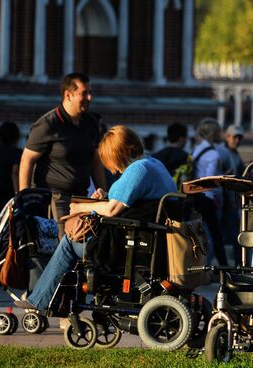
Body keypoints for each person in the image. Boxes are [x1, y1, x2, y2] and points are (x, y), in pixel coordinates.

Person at [14, 125, 176, 311]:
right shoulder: (153, 163)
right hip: (148, 242)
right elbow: (131, 202)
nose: (112, 168)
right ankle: (56, 299)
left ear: (117, 154)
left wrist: (80, 206)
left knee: (69, 243)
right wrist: (106, 195)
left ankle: (41, 301)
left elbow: (113, 209)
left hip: (129, 247)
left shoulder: (138, 170)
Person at [19, 73, 107, 239]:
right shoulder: (48, 124)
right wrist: (25, 199)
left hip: (82, 197)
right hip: (55, 198)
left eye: (90, 92)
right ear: (68, 95)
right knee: (64, 242)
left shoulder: (91, 123)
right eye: (84, 93)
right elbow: (26, 160)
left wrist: (103, 191)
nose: (89, 97)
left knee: (86, 242)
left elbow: (96, 162)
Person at [192, 118, 228, 266]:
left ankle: (202, 264)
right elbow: (209, 178)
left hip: (195, 195)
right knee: (215, 234)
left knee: (201, 232)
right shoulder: (213, 154)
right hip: (208, 197)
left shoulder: (198, 149)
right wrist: (223, 179)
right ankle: (222, 267)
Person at [217, 125, 246, 265]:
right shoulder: (220, 152)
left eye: (239, 137)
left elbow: (243, 175)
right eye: (235, 137)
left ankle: (236, 266)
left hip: (230, 202)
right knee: (216, 235)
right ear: (227, 136)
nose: (237, 140)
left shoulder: (235, 155)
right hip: (219, 200)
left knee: (235, 236)